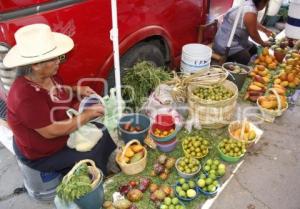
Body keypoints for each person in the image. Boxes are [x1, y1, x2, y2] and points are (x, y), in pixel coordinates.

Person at [3, 24, 117, 176]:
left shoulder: (48, 74)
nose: (59, 61)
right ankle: (98, 180)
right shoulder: (25, 96)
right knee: (90, 156)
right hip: (44, 153)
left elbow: (59, 90)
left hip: (64, 132)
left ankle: (108, 165)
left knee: (103, 132)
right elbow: (52, 131)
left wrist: (76, 90)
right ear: (35, 65)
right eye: (53, 58)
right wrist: (88, 114)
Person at [213, 0, 274, 65]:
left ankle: (237, 60)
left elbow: (252, 22)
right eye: (266, 3)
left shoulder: (249, 4)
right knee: (245, 57)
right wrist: (263, 43)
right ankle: (229, 64)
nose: (265, 6)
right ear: (262, 2)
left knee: (254, 49)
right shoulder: (250, 11)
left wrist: (265, 30)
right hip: (225, 44)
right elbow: (253, 34)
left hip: (232, 39)